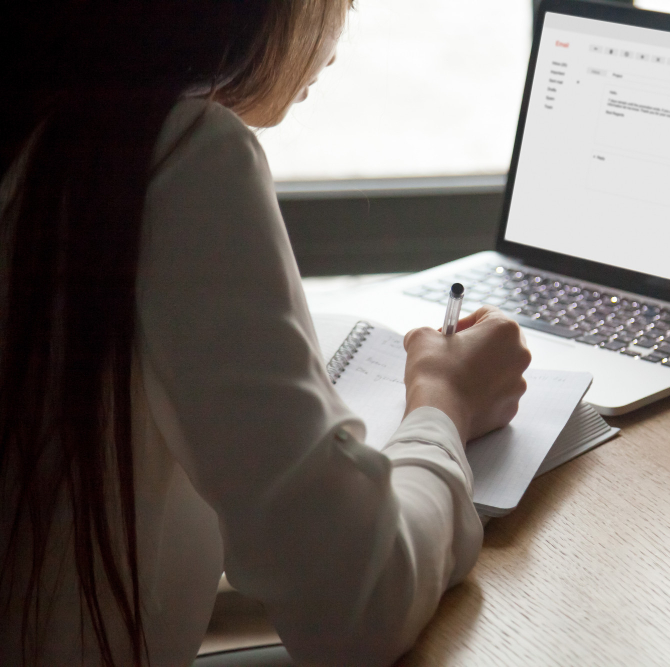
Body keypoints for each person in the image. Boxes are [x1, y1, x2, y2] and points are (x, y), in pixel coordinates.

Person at [0, 2, 531, 665]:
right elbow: (359, 603)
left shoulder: (46, 131)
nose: (336, 41)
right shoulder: (175, 161)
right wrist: (444, 401)